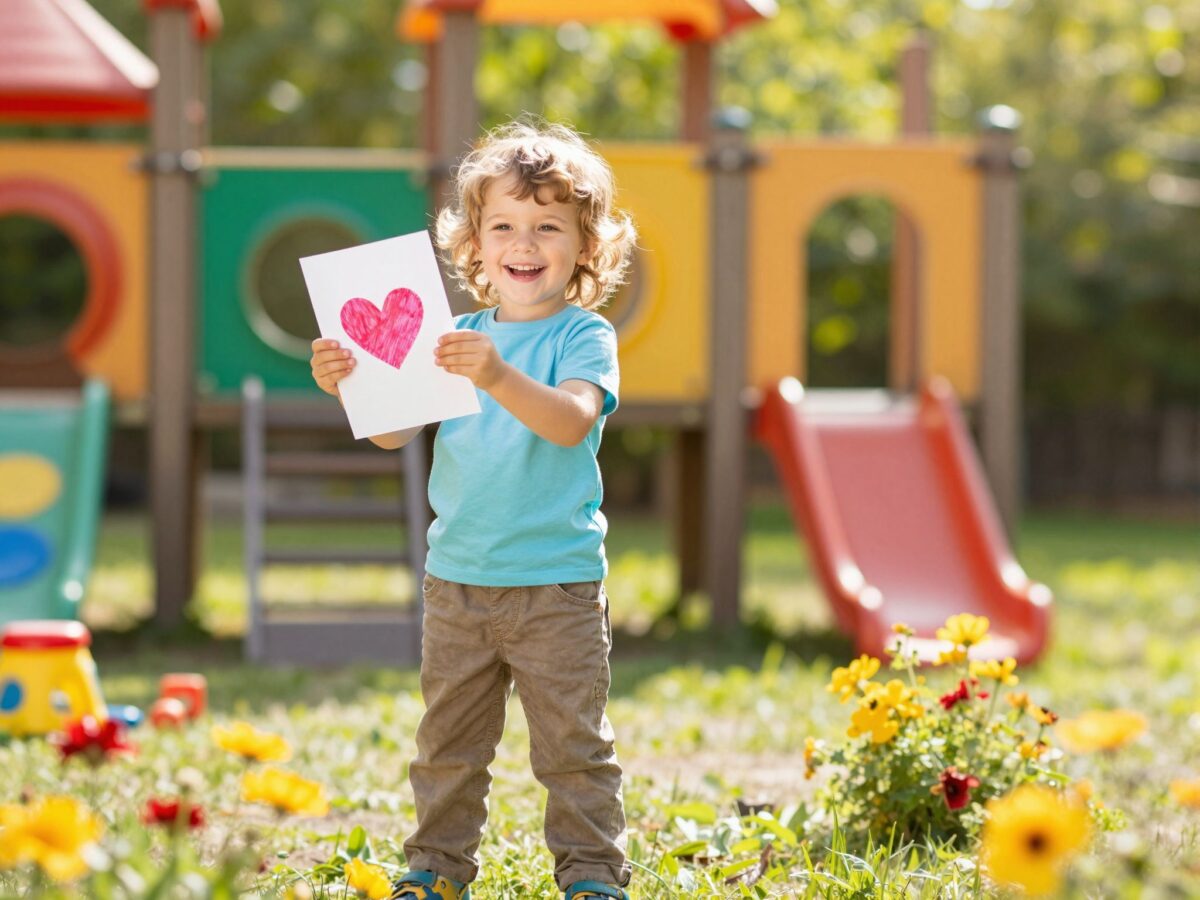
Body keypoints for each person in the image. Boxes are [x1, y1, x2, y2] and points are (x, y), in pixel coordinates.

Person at [309, 120, 636, 900]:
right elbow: (393, 432)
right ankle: (435, 869)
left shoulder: (583, 335)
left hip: (555, 586)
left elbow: (568, 421)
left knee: (572, 749)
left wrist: (494, 376)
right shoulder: (450, 333)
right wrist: (348, 381)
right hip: (455, 583)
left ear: (585, 246)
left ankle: (592, 874)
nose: (525, 242)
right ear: (474, 245)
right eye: (504, 226)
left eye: (549, 226)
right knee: (448, 745)